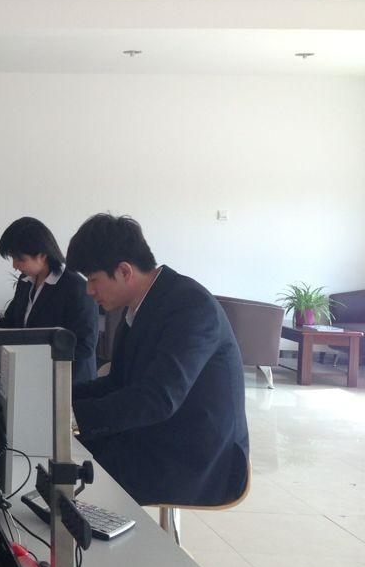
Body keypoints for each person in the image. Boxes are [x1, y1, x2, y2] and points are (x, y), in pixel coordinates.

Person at [65, 213, 249, 507]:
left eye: (93, 279)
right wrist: (58, 398)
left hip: (192, 458)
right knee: (58, 452)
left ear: (124, 271)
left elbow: (159, 398)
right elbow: (117, 383)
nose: (89, 290)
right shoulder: (140, 306)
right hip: (156, 434)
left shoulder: (191, 307)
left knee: (66, 465)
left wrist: (71, 418)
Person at [0, 216, 99, 384]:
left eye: (20, 259)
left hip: (68, 382)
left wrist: (38, 359)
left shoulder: (76, 288)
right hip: (32, 375)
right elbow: (11, 323)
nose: (14, 265)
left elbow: (85, 346)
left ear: (42, 255)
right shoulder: (25, 281)